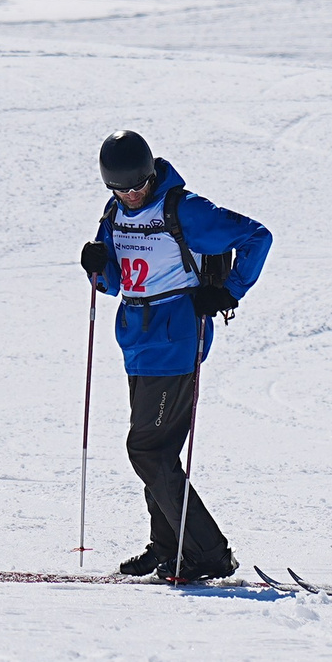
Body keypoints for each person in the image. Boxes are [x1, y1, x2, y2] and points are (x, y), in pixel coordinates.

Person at [78, 129, 273, 582]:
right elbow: (115, 280)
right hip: (137, 339)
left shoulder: (182, 208)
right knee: (159, 448)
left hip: (177, 337)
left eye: (137, 186)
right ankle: (168, 546)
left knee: (146, 450)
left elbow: (256, 237)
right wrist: (96, 264)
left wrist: (227, 292)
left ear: (151, 174)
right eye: (120, 189)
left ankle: (209, 553)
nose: (130, 195)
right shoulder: (114, 212)